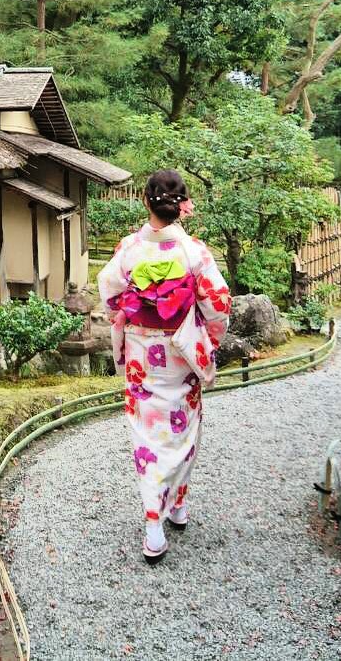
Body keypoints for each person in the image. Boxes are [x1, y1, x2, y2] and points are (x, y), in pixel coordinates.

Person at [98, 169, 231, 563]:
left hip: (142, 353)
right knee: (183, 428)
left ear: (145, 201)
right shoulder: (194, 252)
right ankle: (177, 507)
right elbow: (219, 305)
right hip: (180, 353)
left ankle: (155, 524)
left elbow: (109, 293)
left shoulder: (130, 248)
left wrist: (128, 315)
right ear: (182, 206)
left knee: (148, 436)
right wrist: (208, 339)